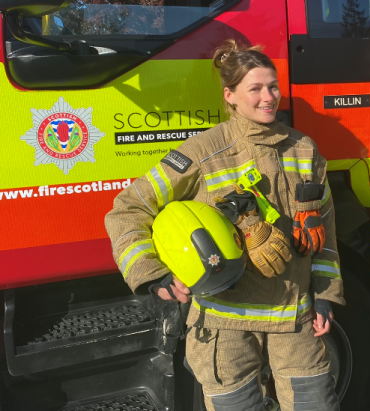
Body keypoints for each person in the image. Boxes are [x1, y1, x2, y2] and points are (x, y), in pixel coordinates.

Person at [105, 40, 343, 411]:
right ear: (230, 95)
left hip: (297, 320)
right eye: (256, 89)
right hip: (226, 327)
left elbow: (325, 231)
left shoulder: (304, 149)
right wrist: (154, 275)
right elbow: (128, 208)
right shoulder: (203, 151)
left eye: (273, 86)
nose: (268, 97)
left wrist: (327, 295)